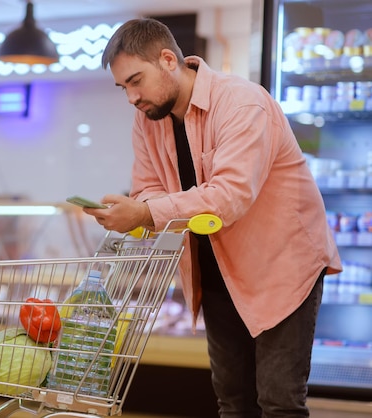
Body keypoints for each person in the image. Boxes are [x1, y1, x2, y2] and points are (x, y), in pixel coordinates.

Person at [84, 18, 342, 417]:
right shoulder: (148, 120)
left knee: (278, 403)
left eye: (136, 81)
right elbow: (148, 186)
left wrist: (147, 212)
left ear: (169, 59)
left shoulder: (241, 102)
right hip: (216, 270)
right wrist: (139, 210)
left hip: (281, 268)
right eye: (124, 88)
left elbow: (229, 196)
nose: (132, 98)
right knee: (233, 402)